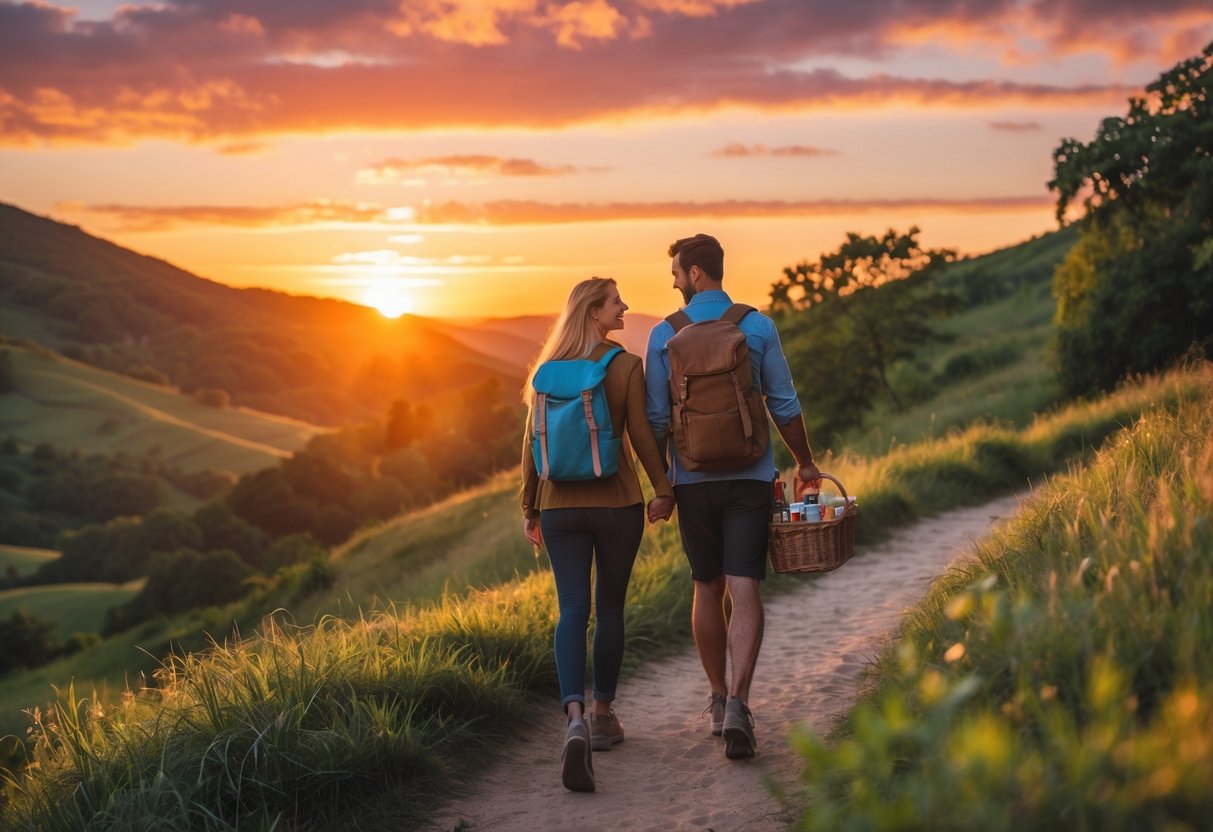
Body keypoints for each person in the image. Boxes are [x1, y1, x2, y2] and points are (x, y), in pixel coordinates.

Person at [644, 233, 821, 760]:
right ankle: (742, 701)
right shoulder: (758, 325)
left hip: (692, 481)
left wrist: (663, 484)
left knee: (706, 586)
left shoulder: (662, 334)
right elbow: (783, 404)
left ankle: (719, 700)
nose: (673, 281)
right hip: (749, 477)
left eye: (676, 272)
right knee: (744, 586)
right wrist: (804, 460)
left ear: (696, 273)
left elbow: (655, 419)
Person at [520, 276, 677, 793]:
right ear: (593, 312)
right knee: (609, 609)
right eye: (615, 301)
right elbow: (642, 436)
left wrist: (531, 508)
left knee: (571, 611)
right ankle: (604, 717)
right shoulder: (625, 366)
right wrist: (664, 490)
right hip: (616, 506)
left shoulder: (544, 373)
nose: (624, 306)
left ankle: (573, 720)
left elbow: (531, 446)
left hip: (559, 508)